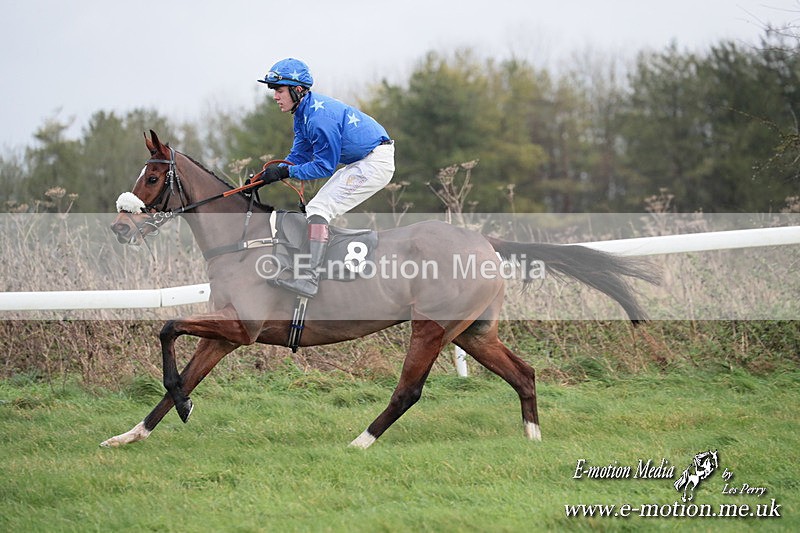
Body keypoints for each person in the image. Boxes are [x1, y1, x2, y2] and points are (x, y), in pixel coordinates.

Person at [253, 58, 395, 298]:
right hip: (363, 160)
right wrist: (267, 175)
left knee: (319, 207)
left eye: (279, 90)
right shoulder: (303, 112)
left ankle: (309, 279)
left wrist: (286, 172)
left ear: (297, 90)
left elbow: (324, 166)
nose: (275, 97)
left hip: (374, 162)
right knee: (317, 210)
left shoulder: (319, 118)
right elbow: (298, 155)